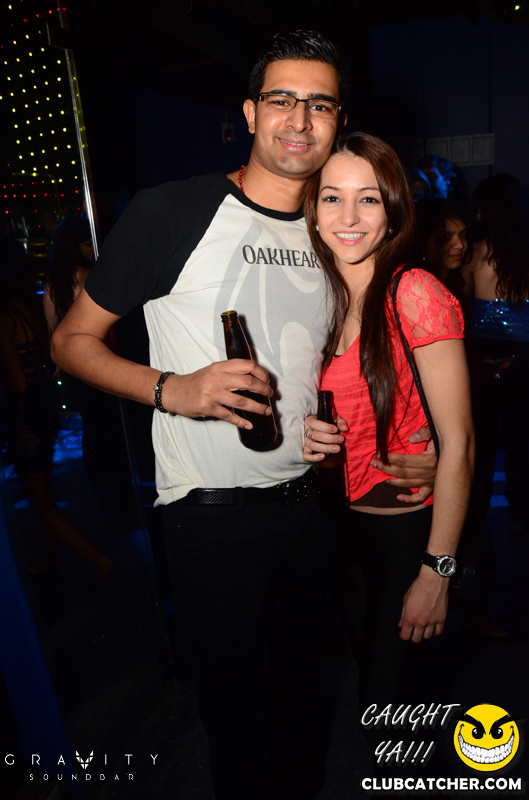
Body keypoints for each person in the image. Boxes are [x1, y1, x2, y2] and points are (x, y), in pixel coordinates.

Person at [51, 32, 437, 800]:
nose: (299, 118)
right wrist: (173, 389)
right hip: (212, 520)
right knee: (241, 728)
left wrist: (379, 442)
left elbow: (341, 365)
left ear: (338, 120)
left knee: (303, 705)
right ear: (250, 113)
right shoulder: (173, 210)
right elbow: (70, 341)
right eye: (281, 99)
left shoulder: (331, 232)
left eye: (319, 104)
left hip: (310, 511)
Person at [302, 133, 474, 732]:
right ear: (312, 209)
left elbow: (460, 442)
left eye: (368, 199)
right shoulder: (313, 298)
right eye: (332, 197)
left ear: (394, 209)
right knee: (388, 709)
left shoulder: (415, 292)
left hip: (401, 535)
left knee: (385, 715)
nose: (348, 217)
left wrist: (437, 571)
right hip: (334, 534)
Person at [0, 238, 112, 582]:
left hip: (26, 414)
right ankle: (50, 559)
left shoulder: (4, 317)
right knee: (44, 493)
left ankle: (101, 561)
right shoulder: (27, 308)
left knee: (42, 502)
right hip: (45, 405)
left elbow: (17, 383)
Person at [44, 214, 134, 520]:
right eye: (86, 243)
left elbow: (52, 329)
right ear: (74, 245)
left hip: (74, 366)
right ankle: (119, 499)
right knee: (109, 431)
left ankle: (105, 497)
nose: (93, 248)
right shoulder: (88, 275)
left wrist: (59, 363)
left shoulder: (55, 281)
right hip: (97, 361)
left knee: (95, 430)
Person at [462, 174, 529, 537]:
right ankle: (520, 516)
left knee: (483, 437)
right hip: (524, 356)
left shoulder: (474, 251)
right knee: (520, 439)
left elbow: (462, 304)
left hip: (483, 355)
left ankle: (476, 514)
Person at [413, 198, 470, 304]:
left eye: (462, 235)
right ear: (421, 242)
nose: (460, 245)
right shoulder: (416, 290)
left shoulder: (457, 281)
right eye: (446, 237)